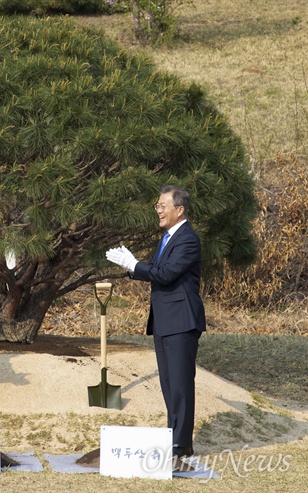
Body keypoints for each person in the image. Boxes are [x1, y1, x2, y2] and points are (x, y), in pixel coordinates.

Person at [106, 185, 205, 461]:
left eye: (163, 205)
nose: (158, 210)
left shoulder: (188, 239)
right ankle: (173, 436)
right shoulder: (167, 238)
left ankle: (182, 443)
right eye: (157, 206)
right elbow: (152, 268)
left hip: (182, 320)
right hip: (163, 321)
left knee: (181, 383)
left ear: (180, 209)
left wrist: (134, 264)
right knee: (168, 383)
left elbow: (166, 273)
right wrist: (131, 266)